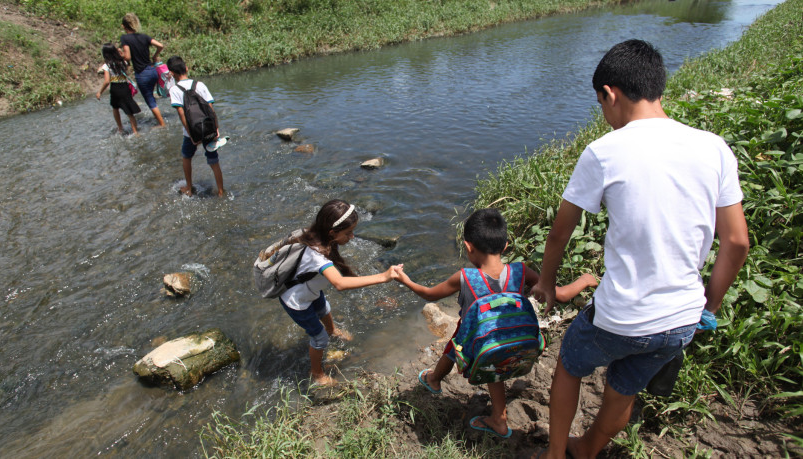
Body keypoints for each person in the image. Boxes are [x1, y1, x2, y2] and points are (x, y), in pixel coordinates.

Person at [531, 39, 749, 459]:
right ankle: (589, 449)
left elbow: (559, 234)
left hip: (622, 316)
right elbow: (736, 242)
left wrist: (547, 282)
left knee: (570, 362)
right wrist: (710, 307)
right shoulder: (714, 147)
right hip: (682, 319)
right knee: (624, 386)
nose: (604, 115)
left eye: (601, 104)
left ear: (609, 94)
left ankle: (557, 453)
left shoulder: (605, 151)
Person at [393, 208, 598, 438]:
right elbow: (558, 294)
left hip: (479, 341)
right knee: (476, 351)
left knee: (459, 345)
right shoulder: (521, 271)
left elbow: (429, 295)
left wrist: (405, 280)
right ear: (506, 245)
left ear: (468, 247)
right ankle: (438, 380)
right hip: (514, 339)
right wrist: (584, 281)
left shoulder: (465, 278)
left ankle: (450, 389)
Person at [277, 199, 402, 386]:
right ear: (332, 233)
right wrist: (383, 277)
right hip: (296, 301)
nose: (352, 236)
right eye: (348, 232)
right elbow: (340, 283)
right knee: (319, 338)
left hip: (309, 290)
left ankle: (333, 330)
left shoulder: (321, 238)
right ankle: (317, 373)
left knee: (324, 308)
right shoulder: (316, 255)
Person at [167, 55, 226, 197]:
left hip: (191, 133)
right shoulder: (200, 85)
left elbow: (182, 115)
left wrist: (192, 136)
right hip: (208, 128)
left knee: (186, 157)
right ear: (186, 68)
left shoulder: (175, 90)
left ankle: (189, 188)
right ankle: (220, 191)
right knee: (214, 160)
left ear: (171, 73)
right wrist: (216, 129)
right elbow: (211, 109)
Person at [120, 12, 166, 127]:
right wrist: (155, 56)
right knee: (152, 97)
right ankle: (159, 119)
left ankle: (162, 124)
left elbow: (128, 57)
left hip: (142, 74)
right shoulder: (144, 36)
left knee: (150, 100)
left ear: (123, 26)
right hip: (152, 71)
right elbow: (160, 45)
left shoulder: (125, 38)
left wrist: (120, 55)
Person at [96, 43, 140, 135]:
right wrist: (120, 52)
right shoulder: (122, 62)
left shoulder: (106, 66)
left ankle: (120, 128)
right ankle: (135, 132)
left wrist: (100, 92)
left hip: (115, 89)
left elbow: (107, 81)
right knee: (129, 112)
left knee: (115, 107)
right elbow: (127, 62)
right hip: (125, 87)